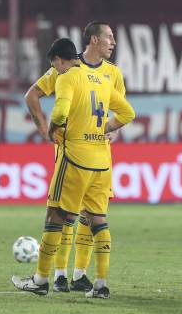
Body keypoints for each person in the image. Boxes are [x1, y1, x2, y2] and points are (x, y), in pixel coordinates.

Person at [12, 38, 135, 299]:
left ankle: (41, 279)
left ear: (58, 60)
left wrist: (52, 130)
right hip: (101, 162)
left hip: (74, 157)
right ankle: (100, 285)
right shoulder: (103, 79)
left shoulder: (66, 77)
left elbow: (59, 111)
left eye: (55, 65)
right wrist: (107, 129)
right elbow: (127, 112)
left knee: (56, 216)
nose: (56, 69)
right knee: (98, 220)